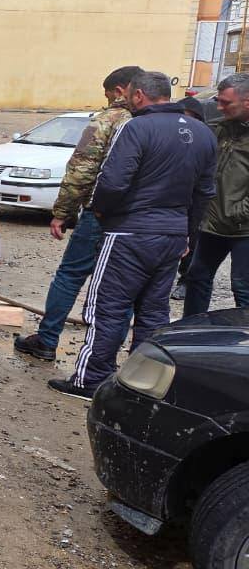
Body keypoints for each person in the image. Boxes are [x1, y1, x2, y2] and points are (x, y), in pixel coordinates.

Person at [48, 71, 216, 400]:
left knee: (107, 308)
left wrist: (100, 212)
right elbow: (205, 192)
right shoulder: (203, 133)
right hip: (172, 235)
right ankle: (140, 384)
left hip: (129, 233)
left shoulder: (136, 127)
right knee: (154, 312)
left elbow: (112, 181)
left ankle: (89, 380)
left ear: (138, 96)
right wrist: (187, 234)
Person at [13, 66, 141, 361]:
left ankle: (47, 340)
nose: (108, 100)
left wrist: (62, 212)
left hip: (100, 216)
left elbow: (82, 168)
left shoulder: (108, 121)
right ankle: (106, 355)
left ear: (119, 91)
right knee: (122, 287)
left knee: (70, 275)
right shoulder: (160, 124)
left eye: (108, 95)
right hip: (140, 222)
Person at [182, 73, 249, 315]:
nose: (219, 107)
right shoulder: (221, 128)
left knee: (243, 287)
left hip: (244, 228)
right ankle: (191, 334)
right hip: (212, 223)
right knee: (197, 277)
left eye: (225, 102)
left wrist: (237, 212)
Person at [170, 95, 212, 301]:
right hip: (173, 200)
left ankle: (186, 279)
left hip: (199, 200)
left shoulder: (206, 138)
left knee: (193, 240)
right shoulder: (170, 137)